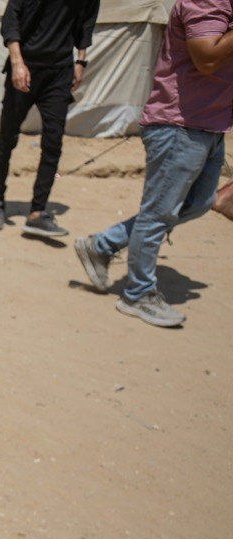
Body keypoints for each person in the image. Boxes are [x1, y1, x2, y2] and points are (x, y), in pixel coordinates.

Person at [73, 0, 233, 328]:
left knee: (199, 204)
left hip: (211, 124)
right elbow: (207, 58)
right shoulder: (206, 2)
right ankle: (138, 295)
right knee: (158, 213)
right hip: (180, 124)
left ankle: (101, 246)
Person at [0, 0, 98, 237]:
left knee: (53, 141)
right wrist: (17, 63)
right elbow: (11, 20)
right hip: (26, 64)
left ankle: (38, 211)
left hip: (59, 72)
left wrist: (80, 62)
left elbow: (86, 24)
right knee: (8, 136)